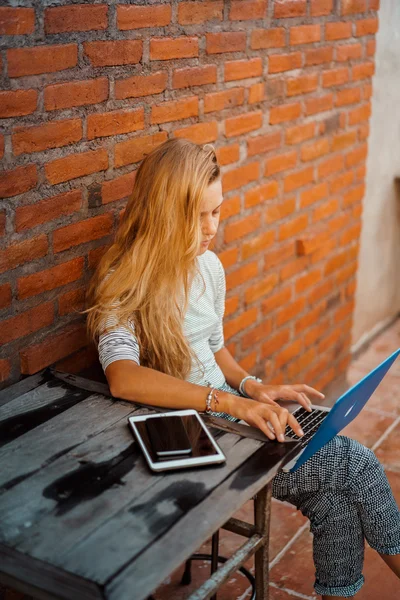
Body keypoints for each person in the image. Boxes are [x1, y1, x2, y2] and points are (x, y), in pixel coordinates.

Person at [86, 138, 400, 599]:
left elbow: (216, 351)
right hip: (195, 437)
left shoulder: (209, 268)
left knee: (334, 502)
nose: (211, 227)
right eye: (197, 215)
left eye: (216, 211)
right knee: (356, 466)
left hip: (234, 418)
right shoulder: (124, 277)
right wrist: (227, 402)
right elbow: (123, 377)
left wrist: (255, 388)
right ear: (162, 211)